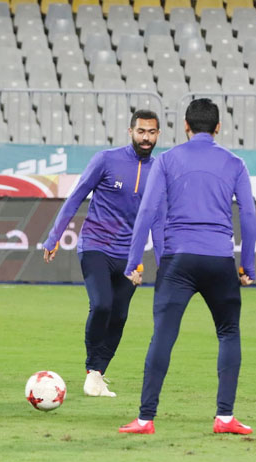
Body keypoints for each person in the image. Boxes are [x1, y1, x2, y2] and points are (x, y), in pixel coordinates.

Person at [119, 98, 256, 435]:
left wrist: (134, 260)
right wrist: (247, 266)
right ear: (218, 127)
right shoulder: (235, 163)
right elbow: (249, 215)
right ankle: (225, 417)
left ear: (185, 126)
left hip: (177, 260)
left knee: (163, 336)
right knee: (228, 333)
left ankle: (145, 419)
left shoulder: (167, 160)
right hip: (219, 259)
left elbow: (147, 211)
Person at [42, 110, 164, 397]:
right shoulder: (106, 160)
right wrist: (54, 236)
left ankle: (97, 374)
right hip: (95, 245)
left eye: (151, 132)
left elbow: (158, 221)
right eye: (141, 131)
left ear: (158, 134)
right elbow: (75, 197)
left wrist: (165, 266)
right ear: (130, 131)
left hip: (130, 256)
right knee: (101, 305)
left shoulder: (160, 171)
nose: (146, 138)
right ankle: (91, 369)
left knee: (119, 316)